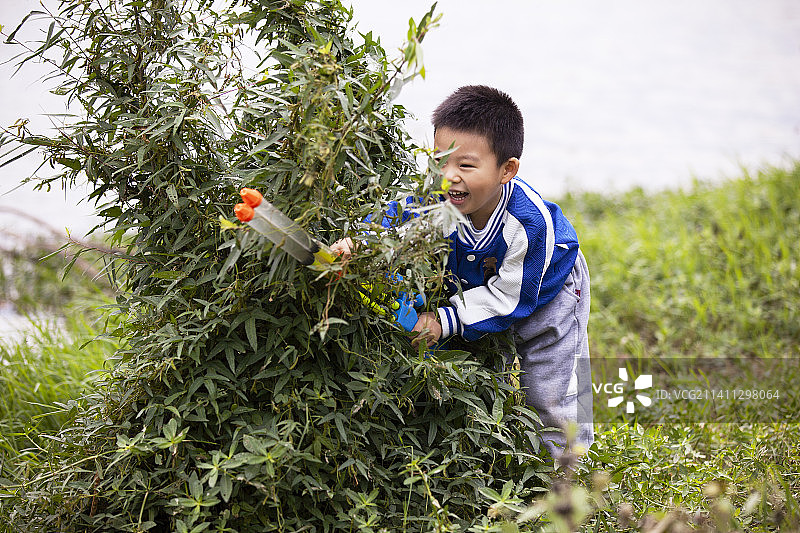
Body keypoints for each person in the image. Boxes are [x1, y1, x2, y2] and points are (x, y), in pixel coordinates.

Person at [333, 85, 593, 463]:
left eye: (466, 165)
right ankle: (499, 454)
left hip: (547, 292)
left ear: (508, 170)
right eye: (440, 162)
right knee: (488, 363)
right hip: (486, 285)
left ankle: (572, 471)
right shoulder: (438, 198)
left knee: (552, 390)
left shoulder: (527, 224)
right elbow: (396, 219)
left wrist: (442, 320)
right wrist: (357, 244)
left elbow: (510, 298)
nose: (449, 177)